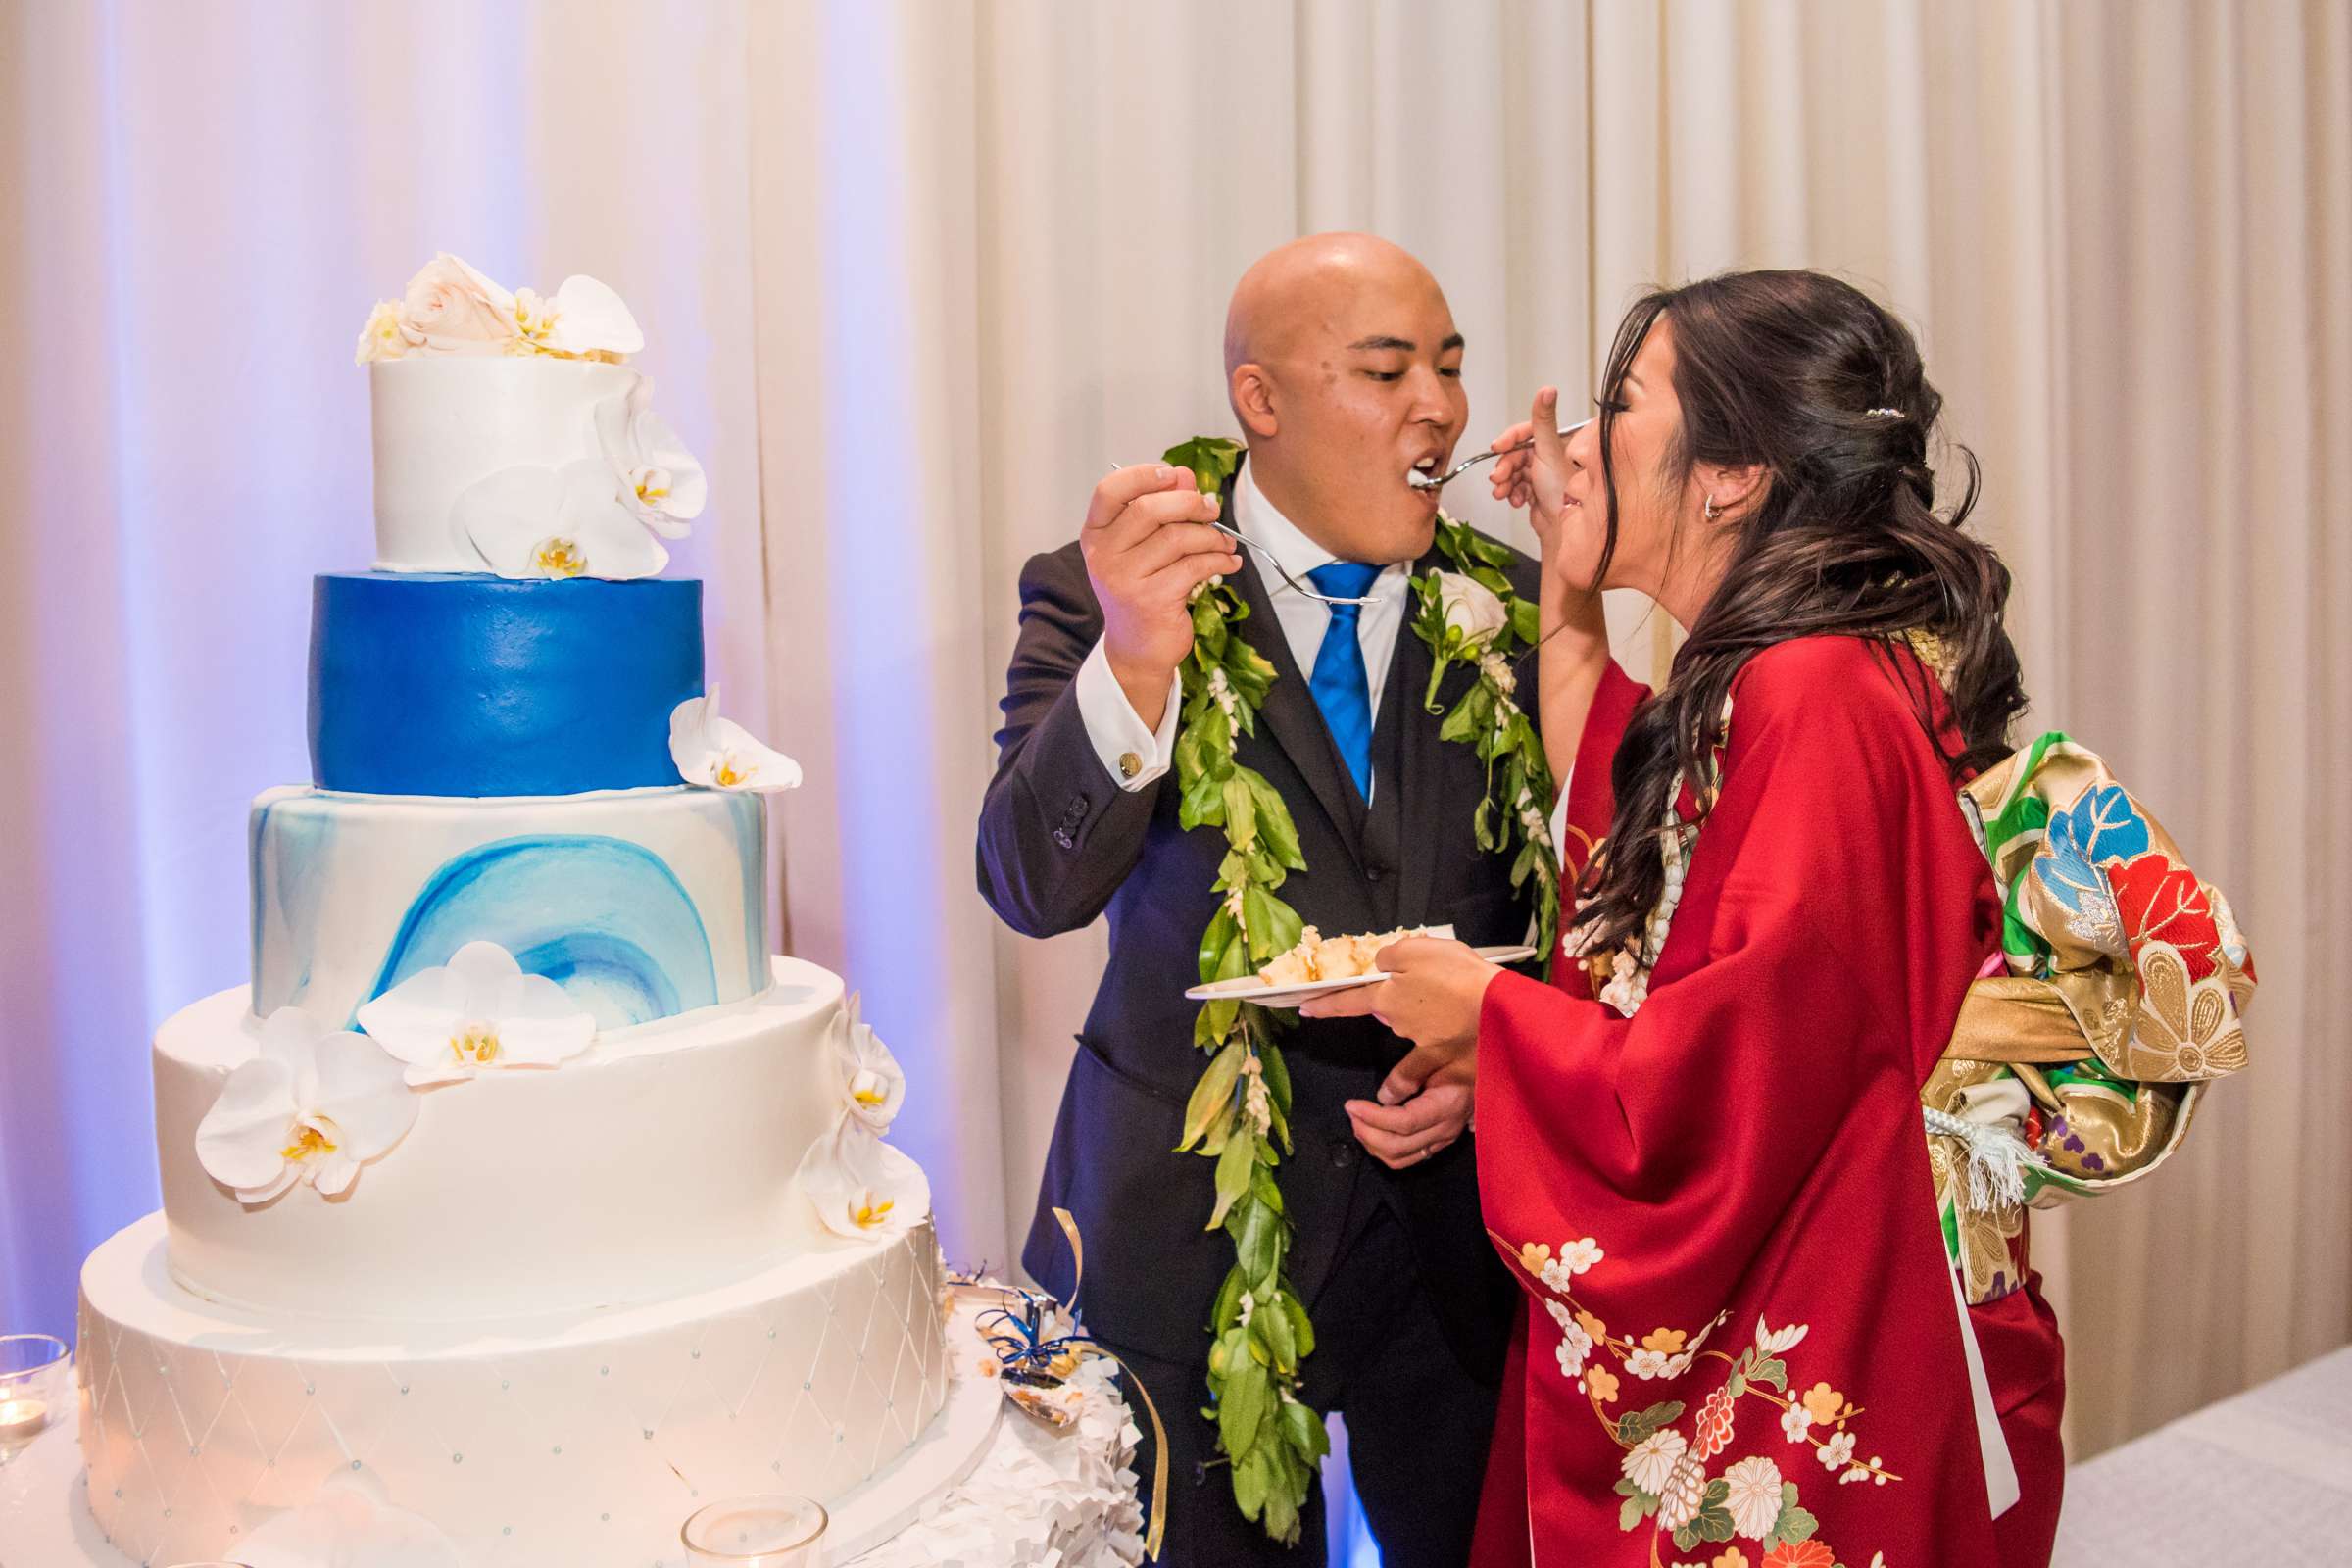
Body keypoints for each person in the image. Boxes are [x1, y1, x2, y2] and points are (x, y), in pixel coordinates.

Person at [1305, 270, 2076, 1565]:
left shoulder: (1814, 696)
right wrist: (1571, 568)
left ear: (1729, 475)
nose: (1579, 436)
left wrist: (1482, 1009)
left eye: (1625, 400)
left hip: (1829, 1350)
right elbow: (1615, 783)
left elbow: (1718, 1092)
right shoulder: (1782, 676)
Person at [976, 233, 1533, 1565]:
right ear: (1261, 400)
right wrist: (1133, 663)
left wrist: (1497, 1049)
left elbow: (1577, 907)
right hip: (1191, 1231)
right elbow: (1028, 883)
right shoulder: (1108, 587)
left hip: (1454, 1241)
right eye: (1388, 369)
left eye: (1449, 370)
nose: (1441, 407)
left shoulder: (1507, 599)